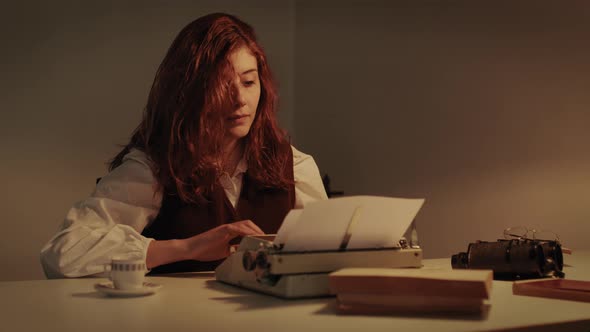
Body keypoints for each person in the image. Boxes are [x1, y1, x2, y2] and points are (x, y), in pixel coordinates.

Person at [40, 13, 328, 278]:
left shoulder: (294, 165)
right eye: (222, 85)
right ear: (190, 92)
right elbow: (63, 253)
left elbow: (331, 257)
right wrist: (188, 248)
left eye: (248, 81)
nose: (240, 99)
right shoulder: (154, 167)